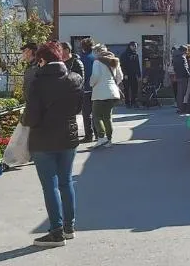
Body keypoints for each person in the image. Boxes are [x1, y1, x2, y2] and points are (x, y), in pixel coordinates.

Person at [24, 41, 84, 248]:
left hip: (43, 139)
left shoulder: (37, 82)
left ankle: (56, 232)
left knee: (49, 185)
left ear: (41, 60)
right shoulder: (75, 79)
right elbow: (78, 108)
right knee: (66, 182)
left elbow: (31, 117)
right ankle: (69, 227)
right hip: (69, 137)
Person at [90, 44, 124, 148]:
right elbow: (120, 76)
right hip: (112, 92)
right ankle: (109, 140)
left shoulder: (97, 61)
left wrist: (91, 84)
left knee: (96, 116)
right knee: (107, 117)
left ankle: (101, 137)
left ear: (97, 52)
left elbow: (95, 76)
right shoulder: (114, 60)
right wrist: (114, 85)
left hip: (100, 92)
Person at [79, 38, 96, 142]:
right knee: (96, 113)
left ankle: (89, 135)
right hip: (95, 88)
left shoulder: (81, 59)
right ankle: (98, 133)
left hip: (85, 89)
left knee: (86, 114)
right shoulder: (95, 58)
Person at [119, 42, 141, 108]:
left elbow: (137, 65)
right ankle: (127, 103)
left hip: (134, 75)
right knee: (127, 89)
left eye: (136, 47)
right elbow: (122, 65)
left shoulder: (135, 55)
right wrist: (125, 74)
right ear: (130, 46)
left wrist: (139, 75)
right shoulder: (124, 54)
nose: (135, 48)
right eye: (134, 46)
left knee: (135, 88)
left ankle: (134, 102)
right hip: (126, 75)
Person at [172, 45, 190, 113]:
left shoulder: (175, 56)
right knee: (183, 93)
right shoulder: (182, 57)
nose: (187, 52)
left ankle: (179, 108)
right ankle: (182, 109)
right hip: (183, 77)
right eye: (186, 51)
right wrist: (188, 74)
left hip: (178, 76)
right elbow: (185, 68)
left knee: (179, 93)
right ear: (184, 50)